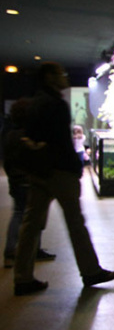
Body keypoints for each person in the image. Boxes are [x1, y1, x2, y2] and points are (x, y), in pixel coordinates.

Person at [13, 62, 114, 295]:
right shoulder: (56, 105)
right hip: (60, 173)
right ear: (51, 77)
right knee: (76, 224)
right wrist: (75, 167)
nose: (65, 77)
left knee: (31, 225)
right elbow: (62, 143)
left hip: (38, 172)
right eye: (61, 74)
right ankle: (91, 271)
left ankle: (22, 277)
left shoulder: (35, 104)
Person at [3, 99, 56, 268]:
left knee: (19, 213)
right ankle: (35, 250)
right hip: (29, 181)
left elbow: (8, 162)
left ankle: (11, 251)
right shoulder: (28, 136)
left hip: (16, 182)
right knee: (34, 215)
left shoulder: (10, 134)